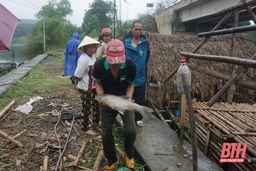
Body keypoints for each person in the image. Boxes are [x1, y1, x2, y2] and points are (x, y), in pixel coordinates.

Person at [93, 39, 137, 170]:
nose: (116, 65)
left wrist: (128, 100)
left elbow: (130, 85)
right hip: (107, 102)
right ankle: (112, 161)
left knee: (131, 131)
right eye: (113, 63)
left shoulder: (130, 66)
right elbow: (98, 84)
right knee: (106, 133)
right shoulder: (99, 65)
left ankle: (128, 154)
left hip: (123, 101)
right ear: (107, 56)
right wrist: (101, 97)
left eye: (119, 62)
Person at [123, 21, 151, 127]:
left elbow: (147, 58)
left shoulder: (145, 43)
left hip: (140, 76)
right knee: (125, 98)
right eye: (136, 29)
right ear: (132, 29)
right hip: (127, 76)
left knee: (139, 98)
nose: (138, 31)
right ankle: (124, 117)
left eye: (140, 29)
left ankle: (138, 118)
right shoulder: (125, 43)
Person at [73, 36, 100, 134]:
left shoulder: (92, 56)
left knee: (97, 105)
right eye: (90, 47)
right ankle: (85, 128)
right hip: (85, 88)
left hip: (94, 86)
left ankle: (96, 122)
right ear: (84, 49)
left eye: (94, 47)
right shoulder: (83, 59)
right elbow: (77, 75)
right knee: (86, 107)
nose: (92, 49)